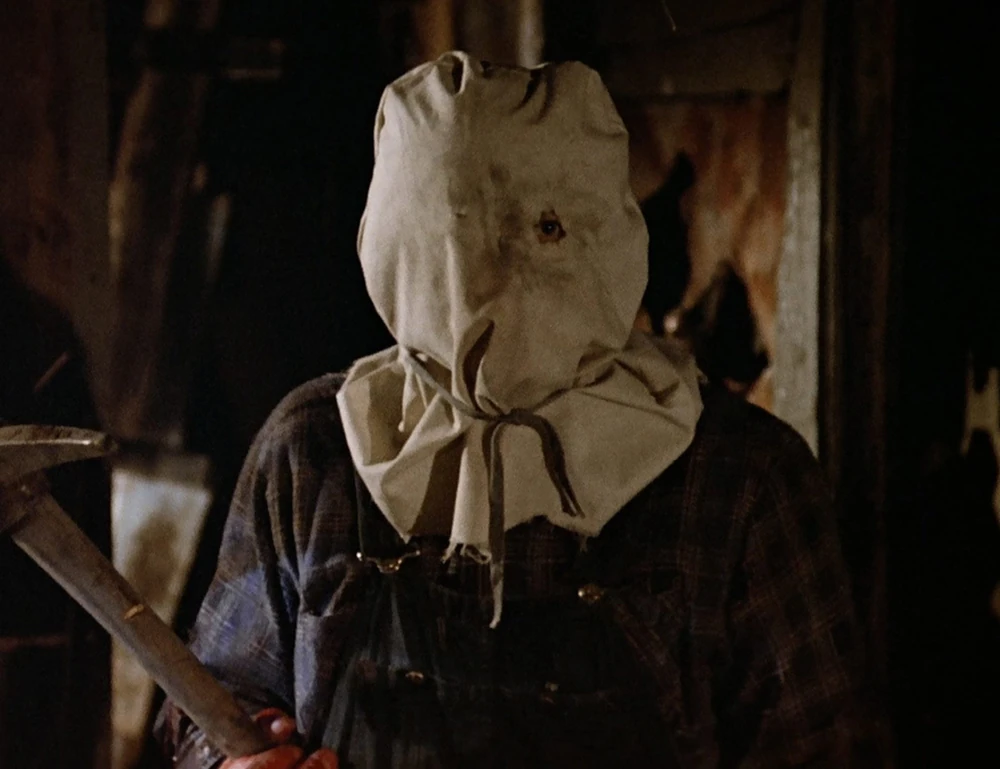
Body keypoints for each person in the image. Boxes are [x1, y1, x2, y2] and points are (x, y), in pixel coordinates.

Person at [157, 52, 879, 768]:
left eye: (542, 230)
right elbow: (213, 702)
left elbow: (827, 749)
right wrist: (231, 762)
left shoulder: (742, 480)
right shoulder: (315, 449)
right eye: (454, 240)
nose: (488, 282)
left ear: (610, 227)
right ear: (395, 238)